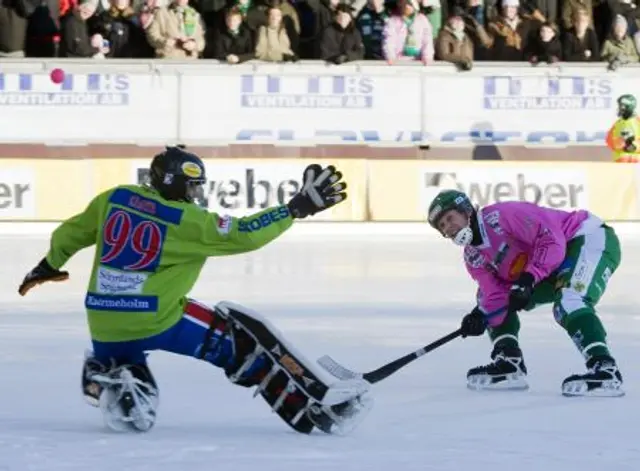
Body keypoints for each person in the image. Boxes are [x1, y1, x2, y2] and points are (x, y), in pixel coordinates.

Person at [18, 146, 372, 434]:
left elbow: (69, 234)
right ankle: (310, 408)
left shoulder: (116, 198)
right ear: (172, 182)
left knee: (127, 357)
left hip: (102, 318)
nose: (195, 193)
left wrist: (49, 265)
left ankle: (114, 371)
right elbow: (244, 233)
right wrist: (295, 209)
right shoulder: (188, 221)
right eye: (191, 186)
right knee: (239, 345)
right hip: (158, 317)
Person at [426, 189, 624, 397]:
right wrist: (480, 315)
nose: (449, 227)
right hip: (549, 267)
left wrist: (529, 277)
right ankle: (509, 362)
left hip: (585, 238)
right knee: (484, 299)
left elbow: (552, 240)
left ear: (466, 210)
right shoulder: (472, 257)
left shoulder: (502, 216)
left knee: (569, 299)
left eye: (450, 218)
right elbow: (496, 296)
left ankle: (605, 368)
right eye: (442, 226)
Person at [606, 94, 640, 163]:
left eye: (623, 106)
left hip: (637, 163)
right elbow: (609, 140)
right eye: (620, 106)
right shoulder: (617, 124)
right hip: (621, 162)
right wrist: (617, 144)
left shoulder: (638, 122)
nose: (620, 108)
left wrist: (634, 146)